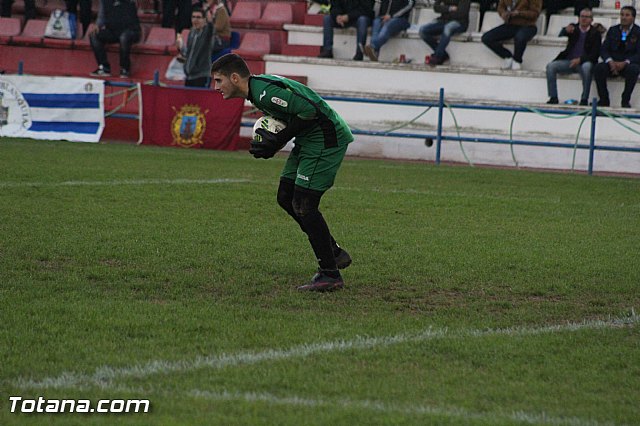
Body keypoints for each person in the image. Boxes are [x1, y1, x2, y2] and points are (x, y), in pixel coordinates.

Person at [211, 53, 354, 292]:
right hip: (309, 139)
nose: (216, 87)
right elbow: (294, 115)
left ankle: (330, 273)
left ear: (234, 78)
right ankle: (334, 253)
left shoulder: (265, 92)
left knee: (304, 204)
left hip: (326, 139)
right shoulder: (258, 91)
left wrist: (279, 139)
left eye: (218, 80)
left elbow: (309, 110)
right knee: (286, 196)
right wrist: (273, 144)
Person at [545, 8, 602, 105]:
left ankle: (584, 99)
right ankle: (553, 97)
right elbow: (562, 34)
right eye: (582, 16)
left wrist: (580, 60)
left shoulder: (595, 33)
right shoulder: (573, 29)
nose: (583, 19)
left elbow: (595, 54)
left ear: (591, 20)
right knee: (551, 66)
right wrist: (564, 30)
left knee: (587, 67)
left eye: (586, 17)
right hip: (569, 61)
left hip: (584, 62)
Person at [594, 6, 640, 108]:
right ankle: (604, 99)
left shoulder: (638, 32)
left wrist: (626, 62)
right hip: (612, 63)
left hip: (628, 64)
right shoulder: (613, 30)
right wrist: (610, 61)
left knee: (634, 69)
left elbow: (638, 53)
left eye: (627, 15)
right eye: (622, 14)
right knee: (598, 68)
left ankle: (625, 100)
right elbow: (604, 49)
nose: (623, 17)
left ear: (633, 18)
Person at [481, 0, 542, 70]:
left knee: (520, 37)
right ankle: (507, 56)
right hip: (511, 24)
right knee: (486, 38)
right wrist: (503, 13)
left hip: (528, 25)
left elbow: (535, 14)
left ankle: (517, 60)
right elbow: (500, 7)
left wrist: (519, 13)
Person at [89, 0, 142, 78]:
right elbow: (101, 16)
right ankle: (104, 67)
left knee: (124, 37)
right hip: (114, 30)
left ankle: (125, 68)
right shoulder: (104, 2)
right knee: (94, 35)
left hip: (131, 30)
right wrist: (98, 25)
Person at [419, 0, 470, 66]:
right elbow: (436, 7)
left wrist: (445, 11)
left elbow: (462, 13)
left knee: (448, 27)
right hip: (443, 20)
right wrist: (450, 8)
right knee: (422, 30)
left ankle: (437, 56)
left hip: (460, 22)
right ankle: (443, 54)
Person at [176, 7, 214, 87]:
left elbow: (210, 28)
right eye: (193, 17)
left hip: (201, 76)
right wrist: (181, 49)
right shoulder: (192, 33)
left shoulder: (207, 33)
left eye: (198, 17)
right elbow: (189, 53)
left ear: (204, 20)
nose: (195, 20)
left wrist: (210, 20)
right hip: (189, 75)